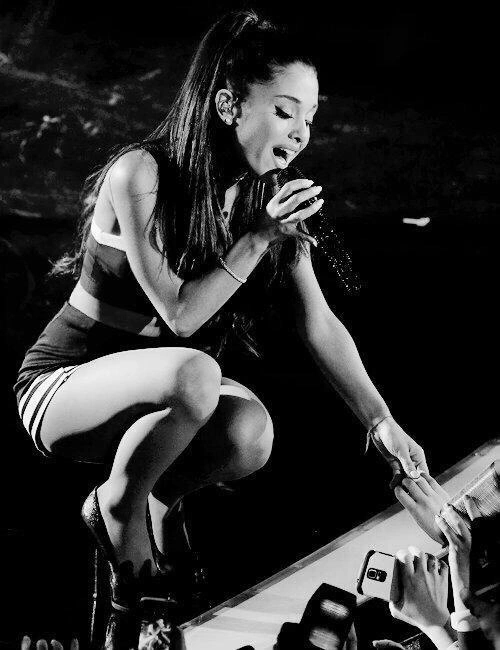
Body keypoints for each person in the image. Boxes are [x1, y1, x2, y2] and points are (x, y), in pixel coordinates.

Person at [13, 8, 428, 634]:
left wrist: (381, 422)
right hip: (65, 384)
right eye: (285, 112)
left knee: (249, 434)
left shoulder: (268, 196)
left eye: (310, 119)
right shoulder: (141, 173)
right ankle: (120, 509)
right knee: (197, 374)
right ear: (229, 105)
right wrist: (257, 239)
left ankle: (158, 497)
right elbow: (180, 315)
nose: (300, 133)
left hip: (174, 391)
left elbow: (318, 321)